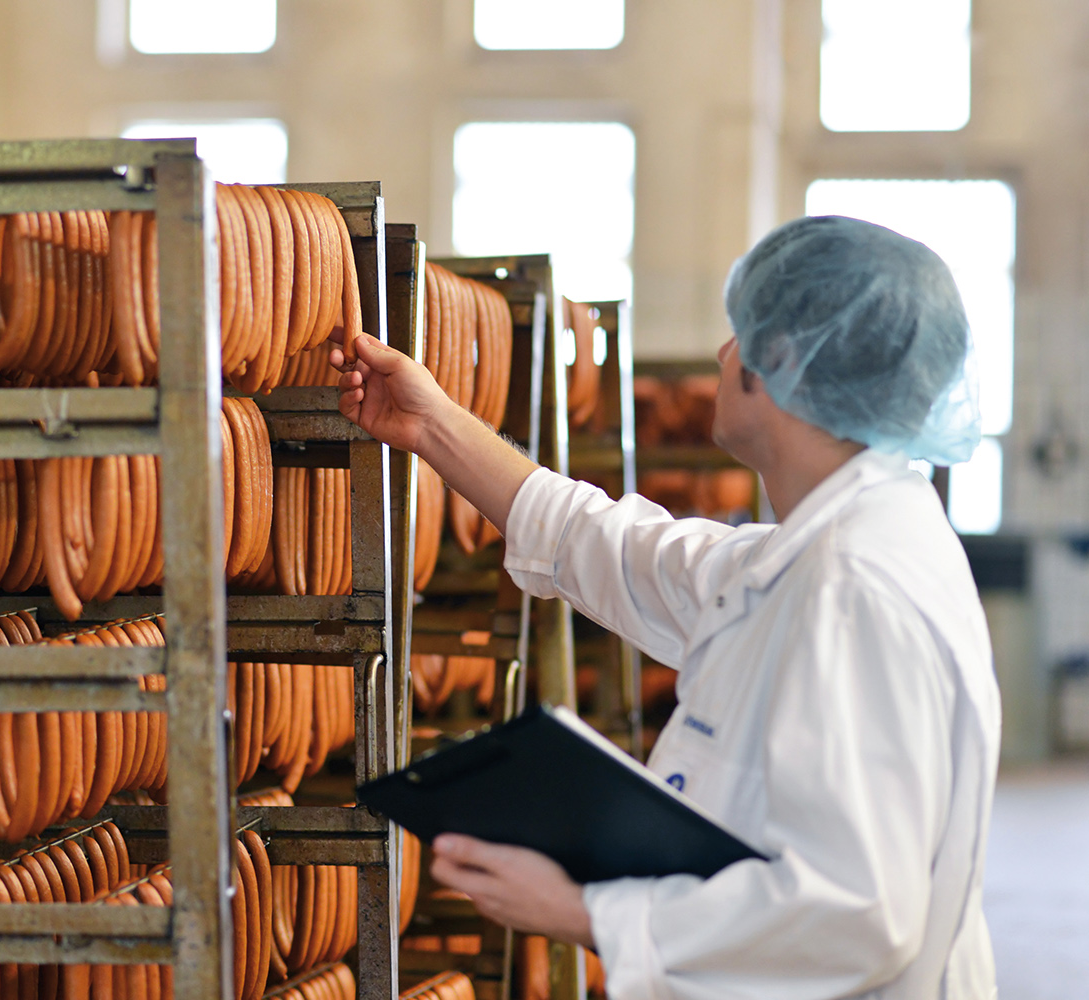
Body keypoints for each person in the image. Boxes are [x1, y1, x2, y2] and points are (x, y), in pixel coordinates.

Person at [331, 215, 1001, 999]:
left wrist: (590, 912)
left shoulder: (854, 586)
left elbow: (858, 916)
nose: (722, 355)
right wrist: (432, 423)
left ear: (784, 360)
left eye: (741, 333)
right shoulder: (821, 552)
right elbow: (611, 546)